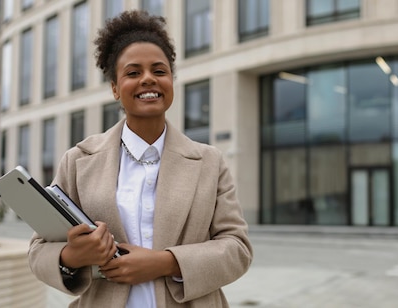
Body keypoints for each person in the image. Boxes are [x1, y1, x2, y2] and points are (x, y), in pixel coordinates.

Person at [28, 10, 253, 308]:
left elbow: (237, 249)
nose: (148, 79)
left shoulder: (209, 162)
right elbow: (39, 250)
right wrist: (73, 256)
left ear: (171, 81)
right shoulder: (78, 160)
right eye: (133, 73)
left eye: (159, 71)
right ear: (114, 88)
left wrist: (166, 263)